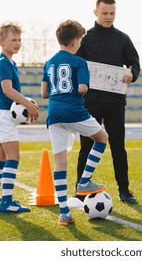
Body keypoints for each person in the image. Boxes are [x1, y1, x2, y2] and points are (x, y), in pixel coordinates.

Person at [41, 20, 109, 225]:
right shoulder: (79, 62)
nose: (80, 43)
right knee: (102, 138)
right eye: (80, 39)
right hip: (73, 111)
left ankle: (64, 213)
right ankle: (85, 181)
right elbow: (81, 89)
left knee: (60, 163)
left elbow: (44, 93)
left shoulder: (49, 62)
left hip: (54, 114)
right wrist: (85, 85)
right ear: (74, 42)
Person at [75, 0, 140, 203]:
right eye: (104, 13)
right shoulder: (85, 38)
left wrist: (132, 75)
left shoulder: (123, 38)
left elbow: (134, 64)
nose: (109, 17)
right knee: (86, 147)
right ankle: (80, 187)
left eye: (112, 13)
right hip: (90, 102)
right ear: (96, 12)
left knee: (118, 147)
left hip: (115, 103)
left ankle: (124, 190)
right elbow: (76, 63)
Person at [0, 21, 40, 213]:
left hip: (2, 114)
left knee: (0, 157)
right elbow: (7, 90)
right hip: (3, 114)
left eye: (19, 39)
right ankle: (6, 201)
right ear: (1, 41)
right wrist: (28, 104)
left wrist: (23, 106)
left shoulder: (10, 62)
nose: (17, 43)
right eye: (13, 39)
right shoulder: (3, 63)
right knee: (13, 156)